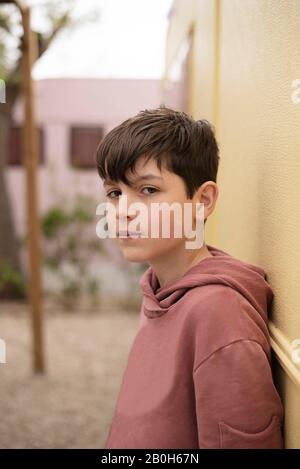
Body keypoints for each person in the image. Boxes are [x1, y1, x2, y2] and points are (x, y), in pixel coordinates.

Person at [95, 105, 284, 449]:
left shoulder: (219, 313)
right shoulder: (158, 288)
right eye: (114, 193)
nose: (123, 210)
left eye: (148, 191)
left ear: (202, 200)